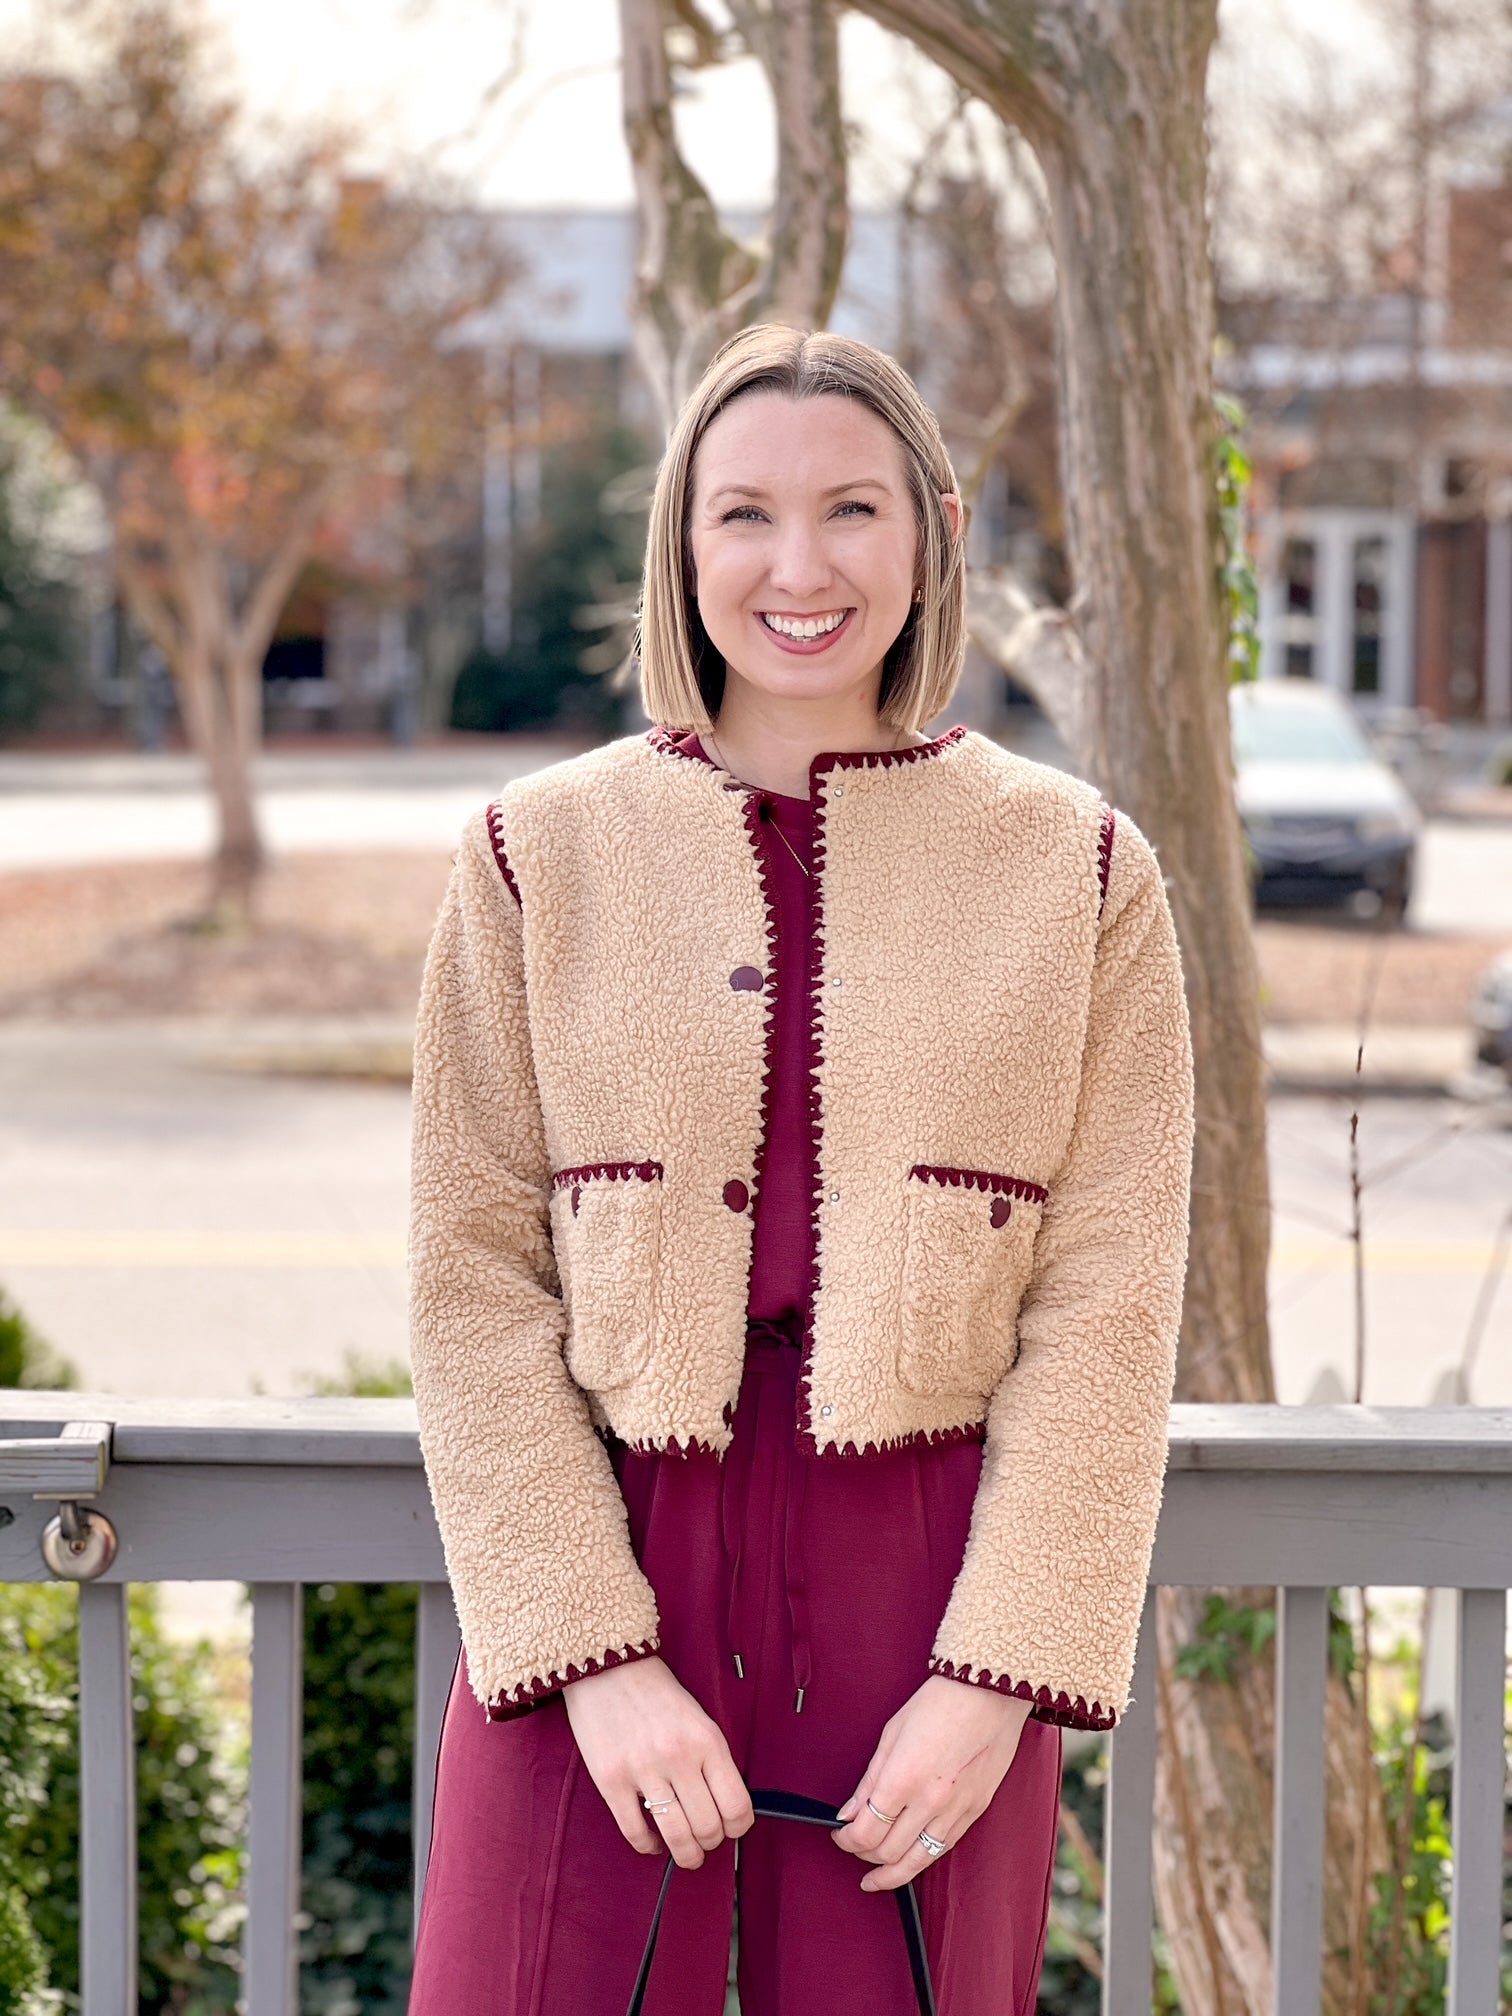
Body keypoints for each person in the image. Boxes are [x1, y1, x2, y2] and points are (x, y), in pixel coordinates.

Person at [406, 324, 1195, 2015]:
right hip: (601, 1578)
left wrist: (995, 1681)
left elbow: (1110, 1315)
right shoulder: (533, 857)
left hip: (926, 1603)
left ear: (933, 534)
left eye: (851, 510)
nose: (800, 567)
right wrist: (598, 1660)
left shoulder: (1087, 876)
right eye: (742, 516)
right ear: (681, 552)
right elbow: (470, 1283)